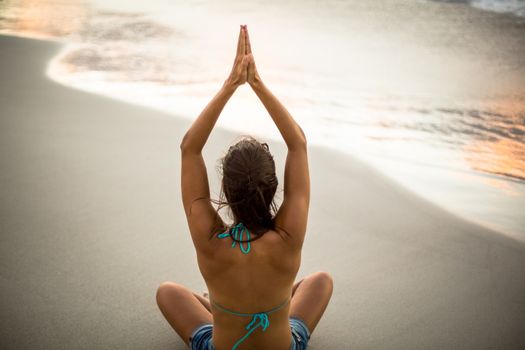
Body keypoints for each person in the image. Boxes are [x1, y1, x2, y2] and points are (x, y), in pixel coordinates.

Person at [156, 24, 333, 350]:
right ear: (273, 186)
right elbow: (298, 144)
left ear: (224, 188)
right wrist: (257, 84)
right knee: (320, 281)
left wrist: (231, 84)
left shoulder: (209, 241)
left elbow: (189, 149)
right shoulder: (288, 238)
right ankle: (251, 302)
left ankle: (221, 304)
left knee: (167, 292)